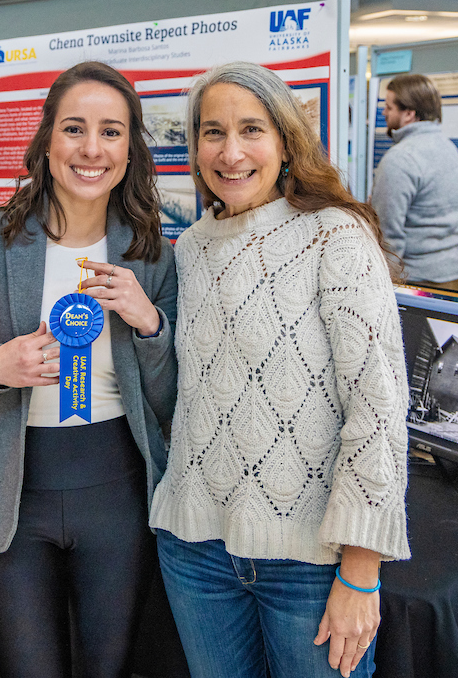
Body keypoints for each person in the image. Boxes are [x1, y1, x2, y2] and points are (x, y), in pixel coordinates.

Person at [150, 62, 410, 678]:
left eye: (251, 129)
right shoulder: (189, 249)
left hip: (311, 564)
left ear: (286, 141)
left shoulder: (334, 236)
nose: (231, 151)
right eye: (212, 132)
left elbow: (377, 408)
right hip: (194, 551)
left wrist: (362, 569)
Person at [0, 61, 178, 678]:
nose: (91, 148)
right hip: (13, 496)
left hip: (118, 494)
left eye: (111, 132)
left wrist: (149, 324)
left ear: (131, 148)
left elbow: (172, 394)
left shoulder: (151, 249)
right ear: (46, 139)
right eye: (74, 128)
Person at [370, 73, 458, 291]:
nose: (384, 112)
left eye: (389, 107)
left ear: (409, 114)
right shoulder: (449, 148)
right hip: (454, 275)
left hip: (418, 282)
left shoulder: (400, 158)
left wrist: (383, 288)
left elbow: (388, 233)